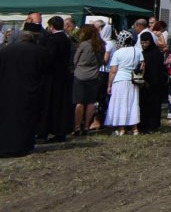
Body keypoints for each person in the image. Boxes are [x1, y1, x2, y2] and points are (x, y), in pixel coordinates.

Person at [0, 29, 51, 156]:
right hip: (30, 89)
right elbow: (46, 71)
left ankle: (5, 146)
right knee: (27, 119)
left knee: (7, 119)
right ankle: (24, 146)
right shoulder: (40, 51)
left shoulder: (6, 51)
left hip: (7, 90)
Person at [38, 15, 74, 143]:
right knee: (61, 106)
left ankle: (44, 131)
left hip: (51, 77)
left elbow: (49, 58)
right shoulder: (66, 39)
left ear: (51, 26)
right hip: (63, 75)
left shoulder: (53, 40)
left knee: (49, 104)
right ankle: (61, 131)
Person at [105, 31, 142, 135]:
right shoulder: (137, 50)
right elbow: (142, 65)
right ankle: (135, 128)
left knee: (121, 103)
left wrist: (109, 85)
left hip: (120, 80)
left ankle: (121, 128)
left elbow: (113, 71)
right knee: (133, 103)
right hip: (133, 80)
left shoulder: (118, 52)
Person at [71, 23, 103, 136]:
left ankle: (77, 126)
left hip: (80, 75)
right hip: (93, 75)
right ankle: (86, 126)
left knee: (79, 102)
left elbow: (75, 60)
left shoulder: (83, 45)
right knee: (90, 102)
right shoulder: (100, 45)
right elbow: (101, 61)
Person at [137, 31, 166, 133]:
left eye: (146, 43)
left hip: (155, 84)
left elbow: (158, 70)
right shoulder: (142, 53)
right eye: (142, 43)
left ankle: (153, 126)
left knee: (154, 105)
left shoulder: (157, 53)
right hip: (144, 84)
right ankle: (144, 125)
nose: (144, 45)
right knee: (144, 105)